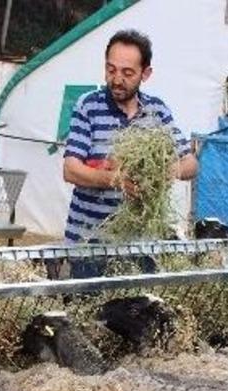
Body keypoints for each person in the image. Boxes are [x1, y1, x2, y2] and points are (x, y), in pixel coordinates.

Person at [62, 29, 198, 243]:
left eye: (127, 73)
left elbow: (190, 164)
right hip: (88, 242)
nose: (116, 80)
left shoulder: (157, 111)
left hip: (141, 244)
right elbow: (70, 170)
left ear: (145, 73)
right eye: (111, 70)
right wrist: (116, 180)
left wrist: (159, 175)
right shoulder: (88, 106)